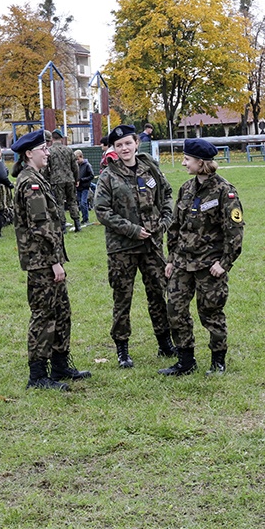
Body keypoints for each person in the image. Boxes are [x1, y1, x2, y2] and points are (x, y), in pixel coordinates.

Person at [11, 130, 91, 391]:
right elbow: (41, 227)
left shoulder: (38, 178)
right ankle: (37, 376)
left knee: (61, 312)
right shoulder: (30, 183)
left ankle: (59, 364)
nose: (48, 152)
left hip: (50, 259)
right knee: (44, 315)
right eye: (43, 149)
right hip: (42, 261)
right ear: (29, 153)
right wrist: (54, 261)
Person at [160, 139, 245, 376]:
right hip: (182, 263)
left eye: (187, 159)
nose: (184, 163)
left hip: (210, 265)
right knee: (175, 310)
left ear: (201, 162)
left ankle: (218, 362)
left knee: (211, 313)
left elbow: (235, 231)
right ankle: (185, 361)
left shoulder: (224, 191)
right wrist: (171, 259)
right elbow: (176, 226)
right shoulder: (186, 188)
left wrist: (224, 263)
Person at [93, 124, 176, 369]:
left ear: (136, 143)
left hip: (152, 244)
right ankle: (122, 349)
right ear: (114, 149)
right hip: (122, 248)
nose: (124, 148)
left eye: (128, 143)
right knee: (122, 298)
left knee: (157, 294)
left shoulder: (149, 168)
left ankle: (164, 342)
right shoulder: (108, 176)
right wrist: (131, 229)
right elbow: (102, 211)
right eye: (119, 145)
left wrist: (165, 220)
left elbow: (167, 193)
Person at [44, 129, 81, 232]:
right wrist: (76, 178)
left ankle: (63, 226)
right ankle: (77, 224)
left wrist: (47, 179)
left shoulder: (49, 151)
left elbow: (46, 168)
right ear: (61, 138)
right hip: (70, 179)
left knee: (59, 203)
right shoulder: (69, 150)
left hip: (56, 180)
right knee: (72, 201)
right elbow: (75, 166)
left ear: (52, 138)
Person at [76, 150, 95, 225]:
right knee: (80, 203)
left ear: (81, 157)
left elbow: (91, 176)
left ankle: (86, 219)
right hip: (78, 187)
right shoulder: (76, 166)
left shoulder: (87, 165)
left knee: (84, 203)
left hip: (85, 187)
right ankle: (83, 218)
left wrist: (82, 180)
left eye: (77, 159)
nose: (76, 161)